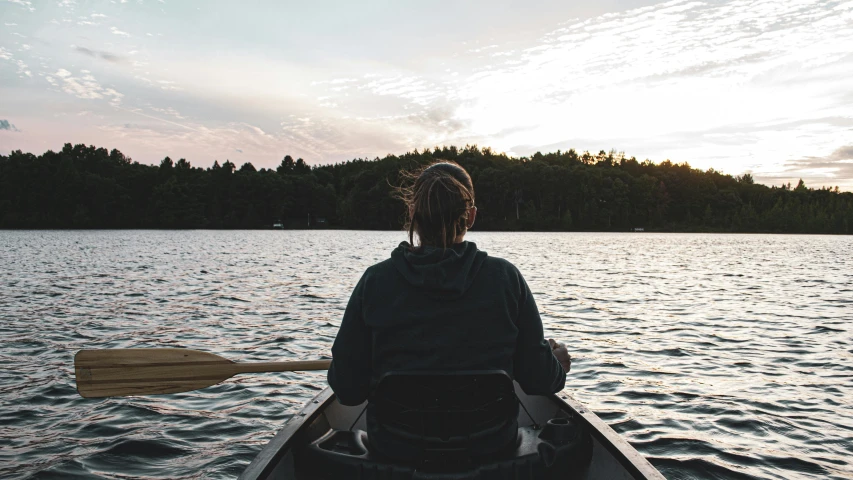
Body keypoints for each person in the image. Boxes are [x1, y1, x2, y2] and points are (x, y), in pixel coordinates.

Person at [327, 160, 572, 460]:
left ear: (413, 216)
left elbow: (347, 390)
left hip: (396, 451)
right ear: (471, 216)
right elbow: (540, 381)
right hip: (490, 448)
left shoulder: (375, 282)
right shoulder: (506, 279)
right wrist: (555, 363)